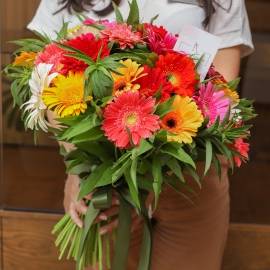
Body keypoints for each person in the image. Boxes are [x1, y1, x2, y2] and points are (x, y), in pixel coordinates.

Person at [27, 0, 254, 269]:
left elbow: (220, 93)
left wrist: (143, 180)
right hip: (102, 189)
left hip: (190, 183)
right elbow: (48, 81)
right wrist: (78, 168)